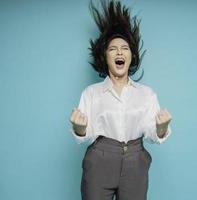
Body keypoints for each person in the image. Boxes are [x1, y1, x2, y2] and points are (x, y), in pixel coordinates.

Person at [69, 0, 172, 199]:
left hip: (136, 161)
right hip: (100, 160)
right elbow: (86, 134)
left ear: (131, 56)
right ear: (104, 57)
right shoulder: (91, 93)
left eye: (124, 48)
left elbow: (153, 134)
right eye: (112, 49)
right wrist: (80, 129)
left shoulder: (147, 94)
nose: (119, 52)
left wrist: (161, 128)